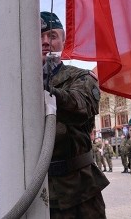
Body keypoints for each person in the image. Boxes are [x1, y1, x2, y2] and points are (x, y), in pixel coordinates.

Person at [40, 11, 109, 217]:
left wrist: (48, 92)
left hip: (79, 192)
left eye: (51, 36)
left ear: (63, 41)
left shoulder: (80, 77)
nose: (45, 41)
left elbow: (81, 105)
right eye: (38, 36)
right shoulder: (17, 83)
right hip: (34, 193)